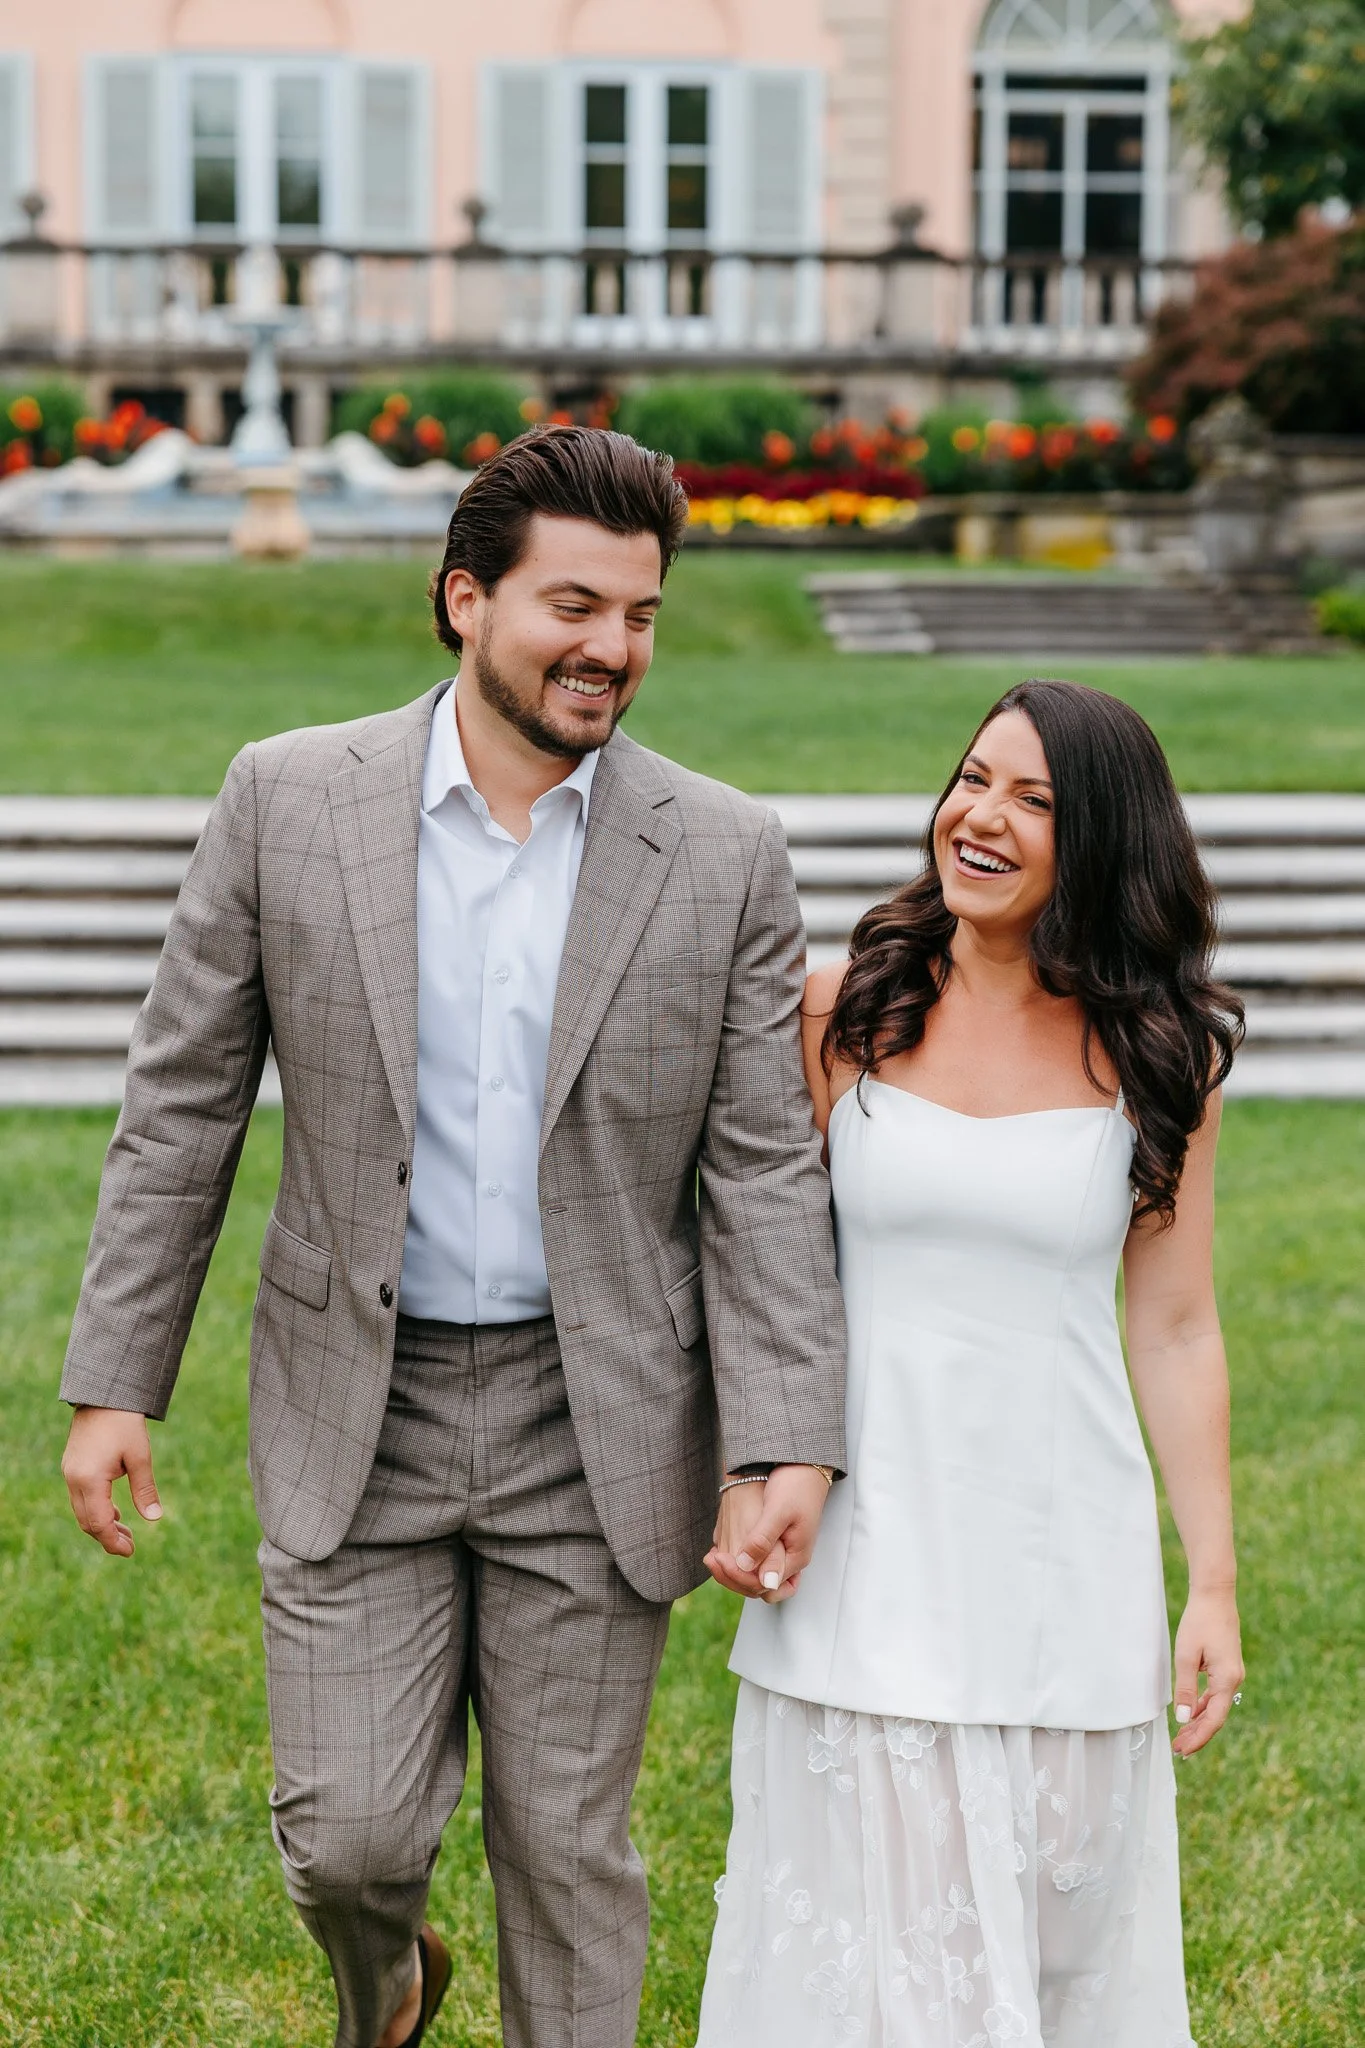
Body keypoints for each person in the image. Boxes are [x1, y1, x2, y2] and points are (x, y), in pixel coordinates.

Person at [58, 425, 846, 2048]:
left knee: (567, 1853)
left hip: (597, 1416)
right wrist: (115, 1379)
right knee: (349, 1840)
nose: (611, 649)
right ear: (462, 601)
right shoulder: (286, 801)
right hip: (364, 1396)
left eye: (639, 614)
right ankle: (394, 1978)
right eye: (574, 606)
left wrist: (782, 1436)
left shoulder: (722, 850)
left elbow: (763, 1174)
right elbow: (184, 1104)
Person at [698, 678, 1246, 2048]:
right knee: (880, 1970)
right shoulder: (843, 1007)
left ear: (1101, 842)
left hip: (1067, 1557)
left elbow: (1175, 1323)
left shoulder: (1158, 1055)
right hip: (870, 1550)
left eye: (1034, 800)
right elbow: (764, 1268)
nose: (980, 817)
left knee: (1053, 1968)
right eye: (973, 779)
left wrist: (1214, 1583)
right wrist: (757, 1465)